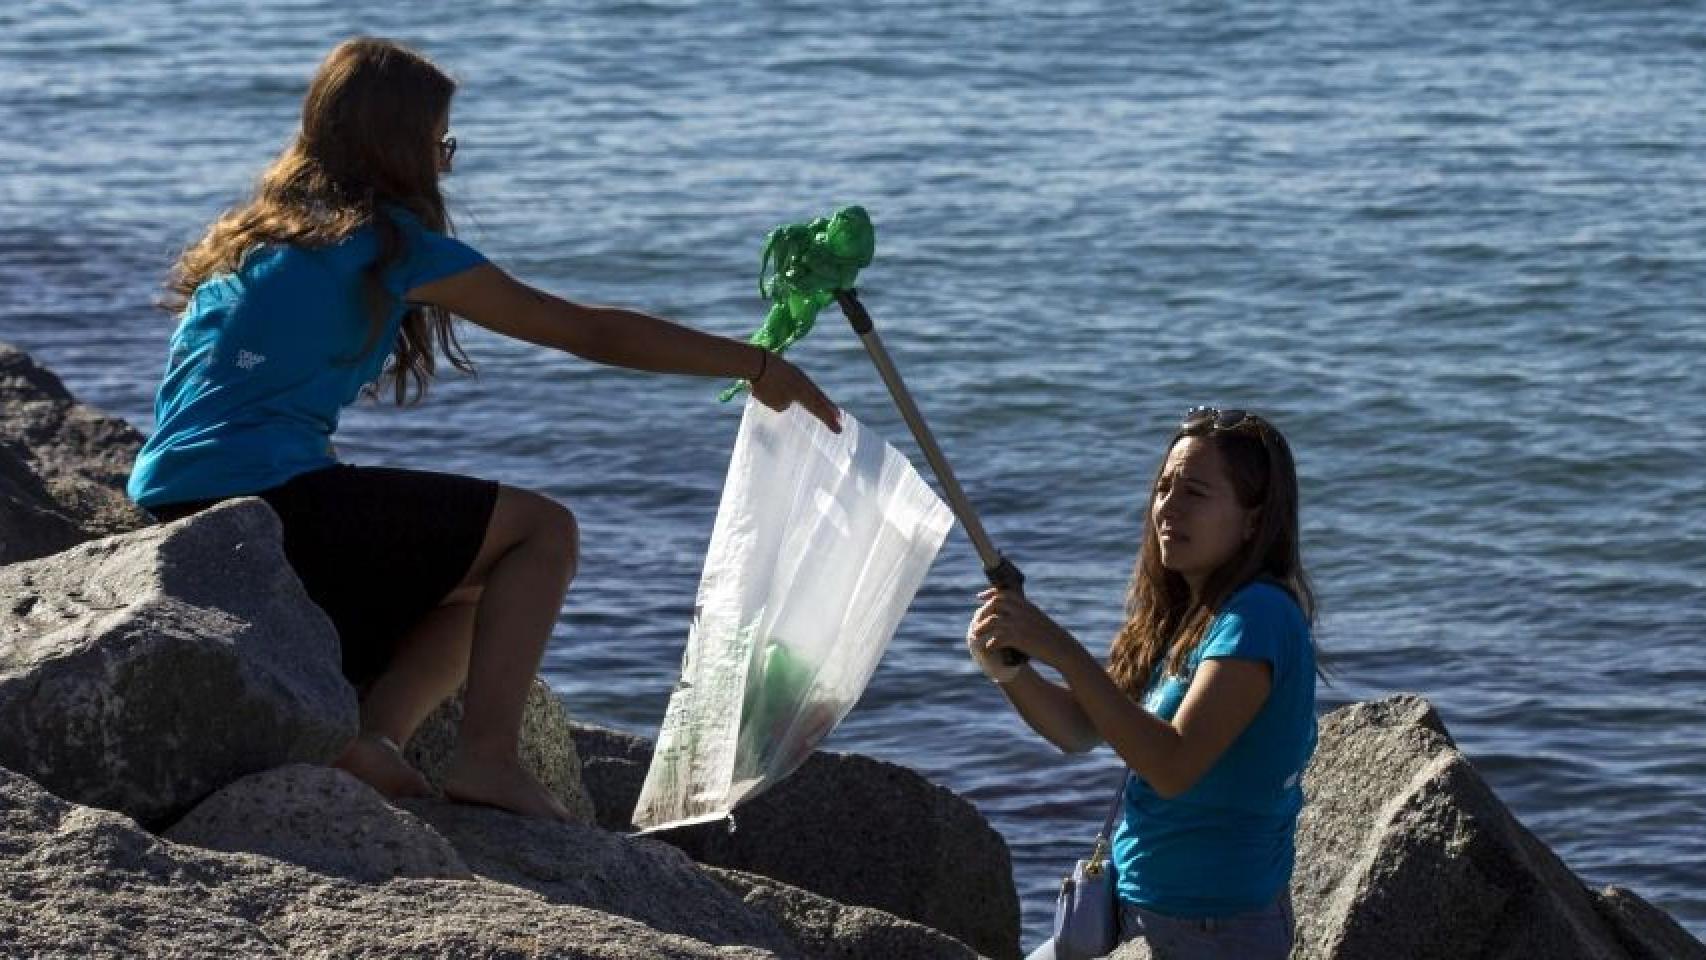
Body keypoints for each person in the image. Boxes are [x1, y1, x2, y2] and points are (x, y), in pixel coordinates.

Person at [126, 37, 841, 822]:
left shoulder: (256, 237)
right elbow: (584, 329)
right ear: (401, 145)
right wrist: (757, 365)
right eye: (440, 143)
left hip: (176, 507)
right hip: (270, 505)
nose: (445, 162)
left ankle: (374, 741)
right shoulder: (387, 244)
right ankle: (488, 759)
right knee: (542, 533)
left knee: (485, 585)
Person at [968, 407, 1317, 959]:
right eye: (1163, 488)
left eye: (1194, 492)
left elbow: (1173, 765)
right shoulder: (1182, 614)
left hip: (1211, 932)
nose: (1168, 508)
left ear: (1254, 520)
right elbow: (1080, 728)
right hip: (1126, 908)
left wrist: (1060, 648)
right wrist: (1009, 667)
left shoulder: (1259, 617)